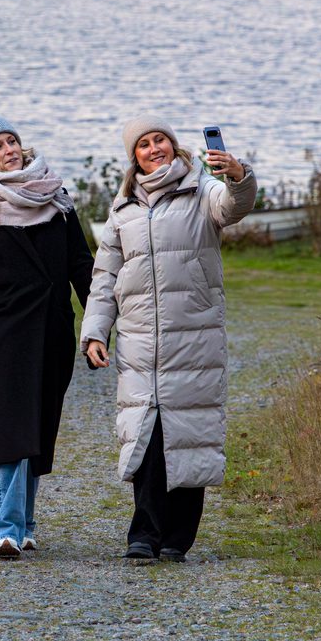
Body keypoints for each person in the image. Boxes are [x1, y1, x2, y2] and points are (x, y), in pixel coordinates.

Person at [80, 114, 256, 562]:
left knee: (190, 431)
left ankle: (178, 537)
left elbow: (233, 207)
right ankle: (144, 533)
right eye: (144, 144)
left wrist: (238, 176)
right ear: (133, 155)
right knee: (146, 432)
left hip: (192, 335)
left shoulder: (202, 189)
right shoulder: (122, 209)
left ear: (174, 146)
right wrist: (95, 332)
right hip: (139, 338)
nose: (153, 148)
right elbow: (105, 278)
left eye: (160, 140)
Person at [0, 112, 92, 559]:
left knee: (40, 426)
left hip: (52, 330)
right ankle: (4, 529)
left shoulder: (57, 201)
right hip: (2, 333)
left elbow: (81, 265)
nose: (9, 151)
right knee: (11, 428)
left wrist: (101, 322)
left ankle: (25, 523)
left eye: (12, 142)